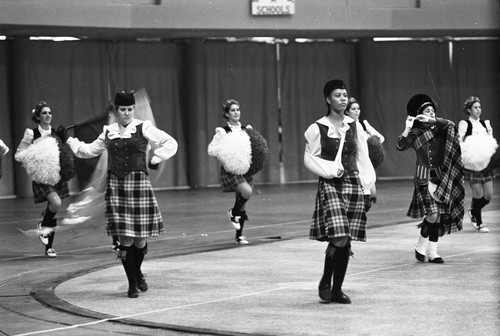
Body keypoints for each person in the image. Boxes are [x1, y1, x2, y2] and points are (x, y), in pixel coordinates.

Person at [66, 91, 178, 298]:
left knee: (140, 240)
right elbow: (87, 151)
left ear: (133, 109)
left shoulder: (143, 127)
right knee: (125, 239)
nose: (126, 113)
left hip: (139, 185)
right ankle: (132, 283)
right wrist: (69, 140)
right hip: (117, 187)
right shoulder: (108, 131)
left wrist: (156, 158)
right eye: (122, 109)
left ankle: (137, 273)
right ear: (116, 111)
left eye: (130, 109)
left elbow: (170, 143)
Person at [303, 80, 375, 304]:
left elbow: (363, 157)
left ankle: (337, 290)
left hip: (353, 181)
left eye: (345, 95)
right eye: (338, 95)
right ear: (328, 99)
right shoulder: (317, 127)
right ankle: (326, 280)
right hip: (330, 183)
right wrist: (328, 171)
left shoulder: (354, 125)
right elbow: (310, 157)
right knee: (340, 235)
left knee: (347, 239)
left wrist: (369, 185)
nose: (343, 98)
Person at [396, 94, 464, 264]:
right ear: (420, 113)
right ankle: (420, 245)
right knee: (432, 214)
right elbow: (400, 145)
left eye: (433, 111)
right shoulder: (416, 133)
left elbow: (451, 125)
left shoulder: (440, 129)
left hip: (441, 178)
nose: (431, 113)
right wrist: (407, 127)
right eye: (427, 111)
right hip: (423, 178)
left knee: (439, 216)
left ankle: (433, 251)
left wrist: (433, 120)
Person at [14, 101, 74, 258]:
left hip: (56, 176)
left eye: (50, 113)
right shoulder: (31, 133)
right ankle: (43, 226)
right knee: (56, 203)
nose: (48, 115)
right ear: (38, 116)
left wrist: (63, 139)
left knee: (53, 210)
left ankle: (49, 247)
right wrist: (34, 157)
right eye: (44, 113)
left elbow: (65, 153)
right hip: (42, 177)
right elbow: (19, 153)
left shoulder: (55, 133)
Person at [208, 99, 256, 245]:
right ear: (227, 114)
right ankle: (232, 213)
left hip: (244, 168)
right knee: (247, 192)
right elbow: (211, 150)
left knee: (241, 203)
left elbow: (254, 147)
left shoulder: (246, 129)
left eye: (238, 109)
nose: (236, 112)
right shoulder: (222, 132)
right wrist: (226, 154)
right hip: (231, 170)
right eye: (233, 110)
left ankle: (239, 236)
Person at [458, 96, 496, 233]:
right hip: (471, 164)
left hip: (484, 164)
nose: (478, 110)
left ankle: (473, 211)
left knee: (488, 195)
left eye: (479, 107)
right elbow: (459, 142)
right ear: (469, 110)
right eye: (475, 107)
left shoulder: (485, 124)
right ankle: (479, 222)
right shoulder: (465, 124)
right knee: (478, 193)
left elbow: (490, 143)